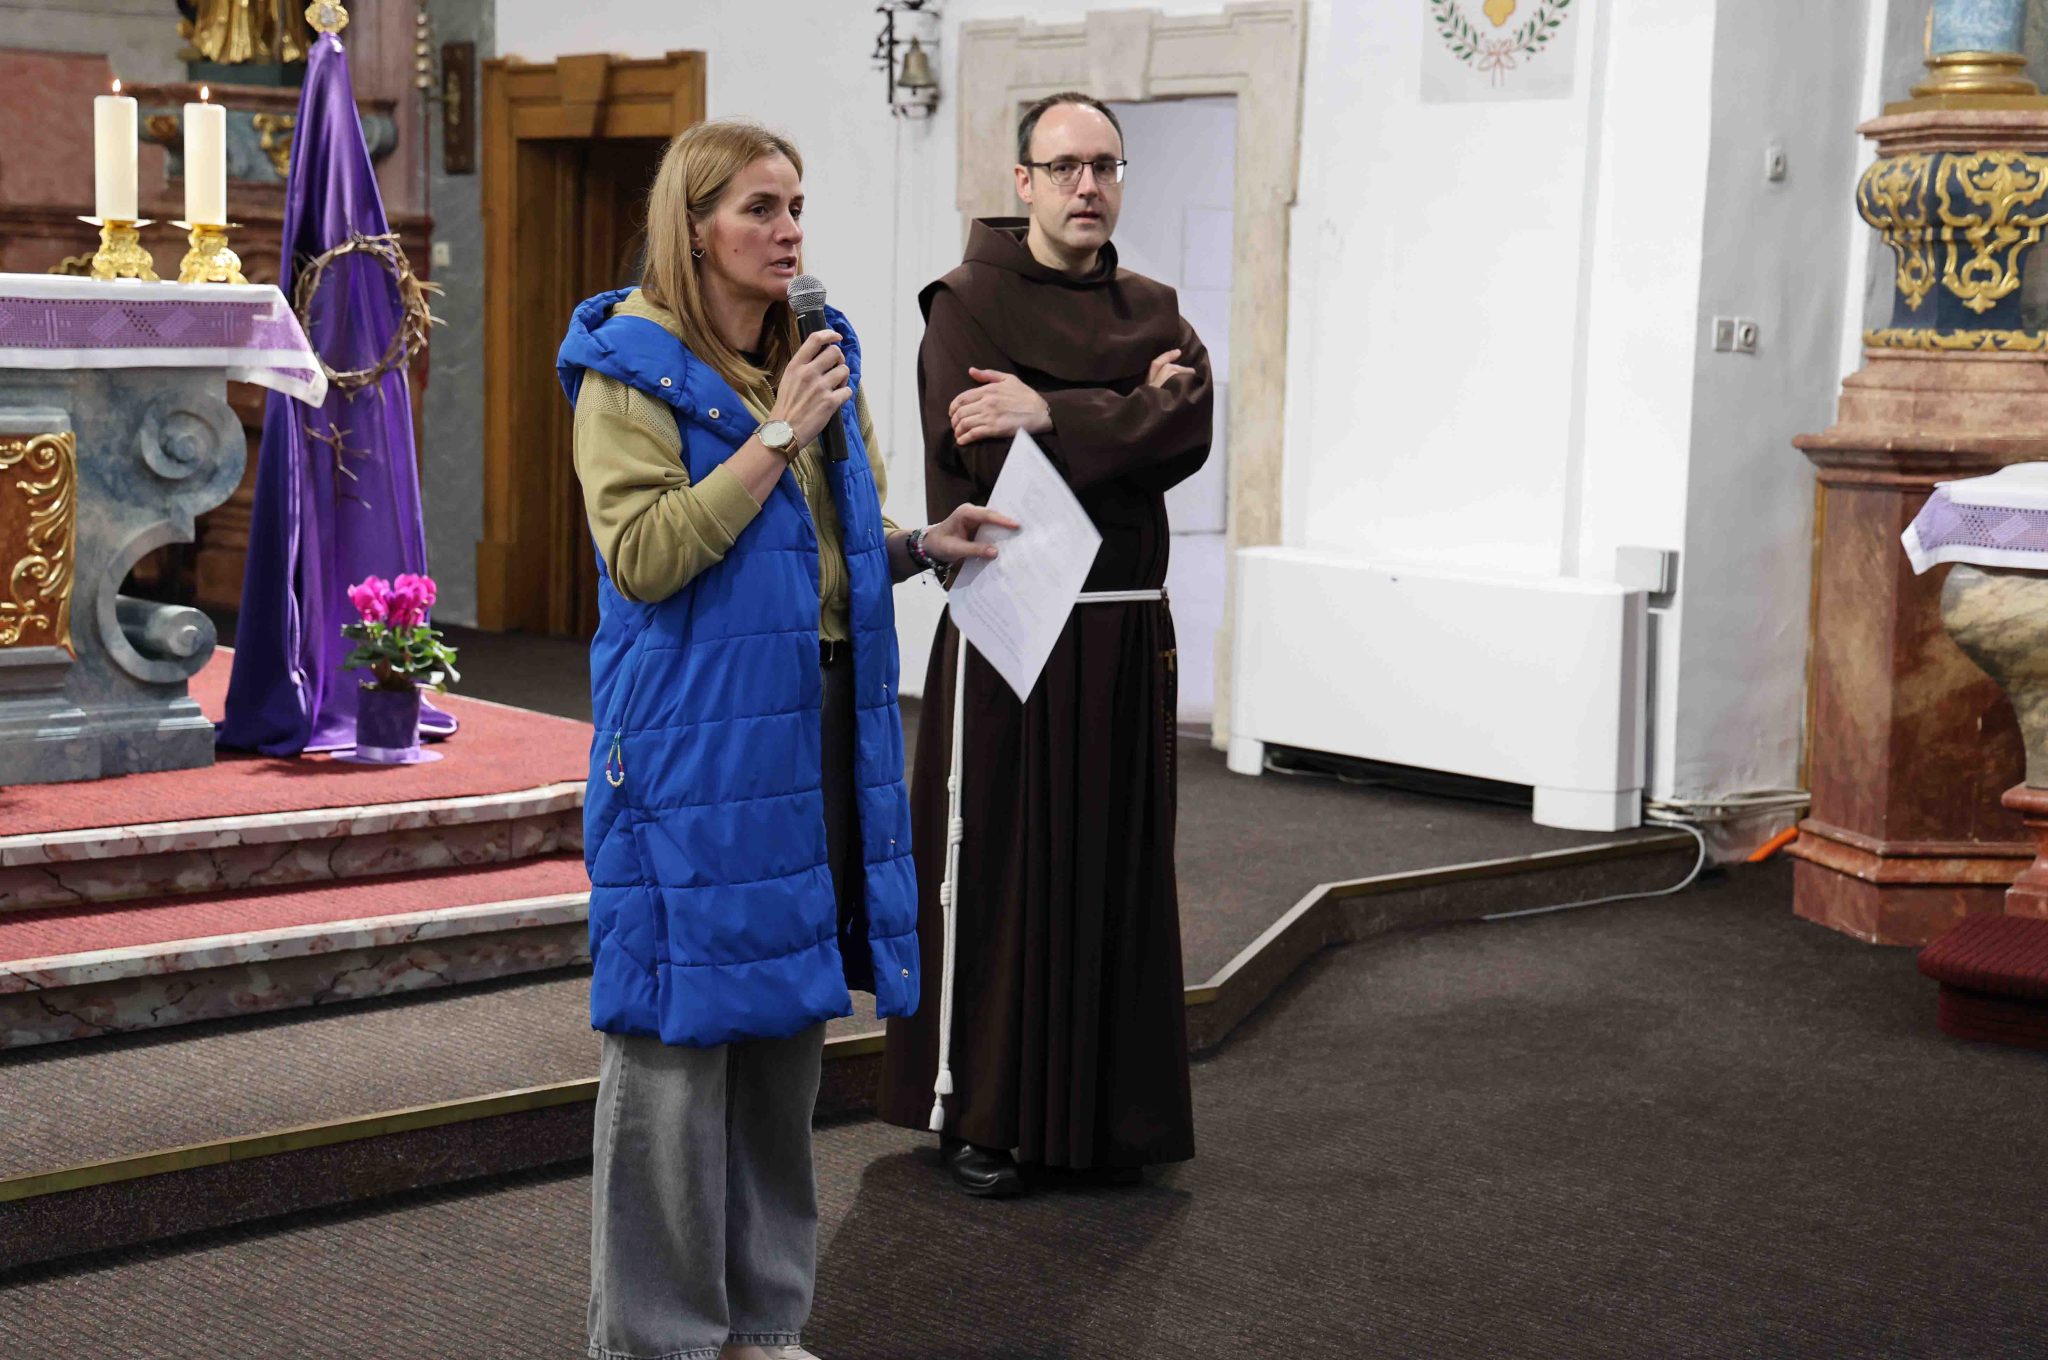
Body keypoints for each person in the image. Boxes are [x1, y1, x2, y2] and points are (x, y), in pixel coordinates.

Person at [557, 117, 1012, 1360]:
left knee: (781, 1036)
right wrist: (776, 437)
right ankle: (658, 1339)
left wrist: (918, 546)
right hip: (691, 742)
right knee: (676, 1044)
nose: (789, 229)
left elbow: (815, 554)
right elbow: (644, 556)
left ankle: (763, 1325)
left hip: (812, 727)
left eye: (796, 205)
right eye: (759, 207)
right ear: (694, 227)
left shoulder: (812, 354)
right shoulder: (629, 368)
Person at [876, 92, 1214, 1196]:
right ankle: (983, 1114)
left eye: (1105, 166)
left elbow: (1190, 431)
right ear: (1021, 180)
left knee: (1116, 869)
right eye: (1065, 166)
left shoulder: (1156, 308)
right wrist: (1126, 410)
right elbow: (987, 468)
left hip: (1123, 624)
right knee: (1004, 872)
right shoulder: (966, 305)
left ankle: (1105, 1121)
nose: (1088, 186)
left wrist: (1056, 413)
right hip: (1016, 622)